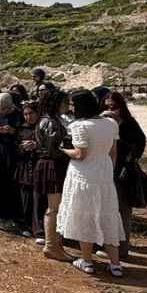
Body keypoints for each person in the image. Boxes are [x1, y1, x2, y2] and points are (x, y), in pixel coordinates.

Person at [57, 89, 125, 277]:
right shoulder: (111, 123)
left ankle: (87, 261)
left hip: (83, 175)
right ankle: (115, 264)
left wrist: (62, 150)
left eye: (73, 104)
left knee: (84, 216)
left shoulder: (79, 126)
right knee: (107, 215)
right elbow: (113, 152)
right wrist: (108, 171)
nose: (71, 108)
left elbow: (80, 154)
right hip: (104, 175)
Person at [106, 91, 147, 259]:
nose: (111, 110)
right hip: (106, 169)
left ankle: (122, 249)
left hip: (123, 171)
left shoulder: (129, 123)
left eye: (114, 107)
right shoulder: (105, 122)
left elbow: (140, 142)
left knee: (123, 210)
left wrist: (129, 159)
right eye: (108, 107)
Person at [35, 89, 70, 260]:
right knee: (54, 208)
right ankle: (51, 245)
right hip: (53, 165)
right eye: (64, 102)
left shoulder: (52, 120)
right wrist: (69, 149)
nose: (67, 105)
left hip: (52, 164)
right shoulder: (50, 122)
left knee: (55, 207)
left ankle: (55, 244)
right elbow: (52, 149)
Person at [0, 92, 23, 230]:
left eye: (4, 108)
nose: (2, 111)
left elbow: (24, 131)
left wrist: (13, 131)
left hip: (14, 154)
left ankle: (13, 216)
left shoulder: (18, 115)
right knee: (0, 183)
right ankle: (1, 214)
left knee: (12, 185)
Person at [14, 101, 41, 237]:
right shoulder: (22, 129)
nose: (28, 117)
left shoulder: (42, 127)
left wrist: (37, 145)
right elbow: (15, 147)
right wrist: (22, 147)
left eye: (31, 113)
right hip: (25, 167)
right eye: (25, 114)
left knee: (38, 200)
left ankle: (38, 228)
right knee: (25, 198)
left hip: (39, 167)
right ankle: (25, 225)